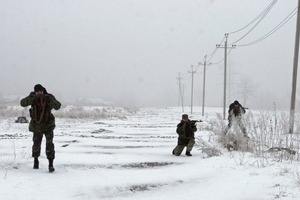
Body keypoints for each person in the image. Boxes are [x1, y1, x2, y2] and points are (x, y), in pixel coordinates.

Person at [20, 84, 61, 172]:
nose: (39, 93)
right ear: (35, 92)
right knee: (36, 144)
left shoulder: (48, 97)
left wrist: (49, 100)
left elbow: (58, 106)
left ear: (43, 91)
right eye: (37, 92)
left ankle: (50, 164)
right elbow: (22, 103)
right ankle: (36, 160)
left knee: (49, 145)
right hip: (37, 126)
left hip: (48, 125)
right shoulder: (32, 97)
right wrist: (33, 98)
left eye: (41, 91)